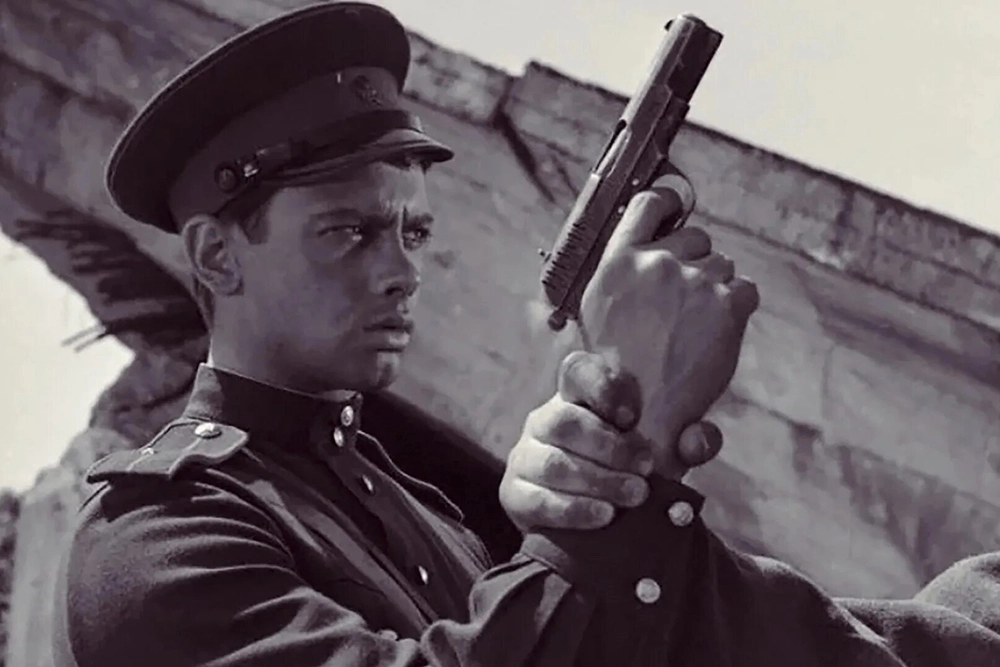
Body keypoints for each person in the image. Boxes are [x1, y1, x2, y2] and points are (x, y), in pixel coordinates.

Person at [52, 3, 754, 666]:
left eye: (413, 233)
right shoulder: (155, 534)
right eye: (349, 231)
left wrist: (626, 465)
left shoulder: (431, 515)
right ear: (215, 255)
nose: (403, 272)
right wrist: (636, 431)